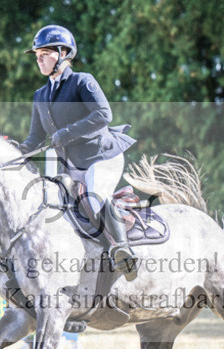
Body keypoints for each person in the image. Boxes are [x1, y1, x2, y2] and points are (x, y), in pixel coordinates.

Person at [18, 24, 138, 280]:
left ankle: (123, 250)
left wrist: (66, 133)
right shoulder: (40, 95)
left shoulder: (82, 81)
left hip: (102, 157)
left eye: (44, 53)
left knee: (95, 196)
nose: (39, 59)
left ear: (63, 53)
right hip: (71, 167)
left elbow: (104, 114)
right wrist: (18, 150)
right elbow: (35, 137)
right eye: (37, 55)